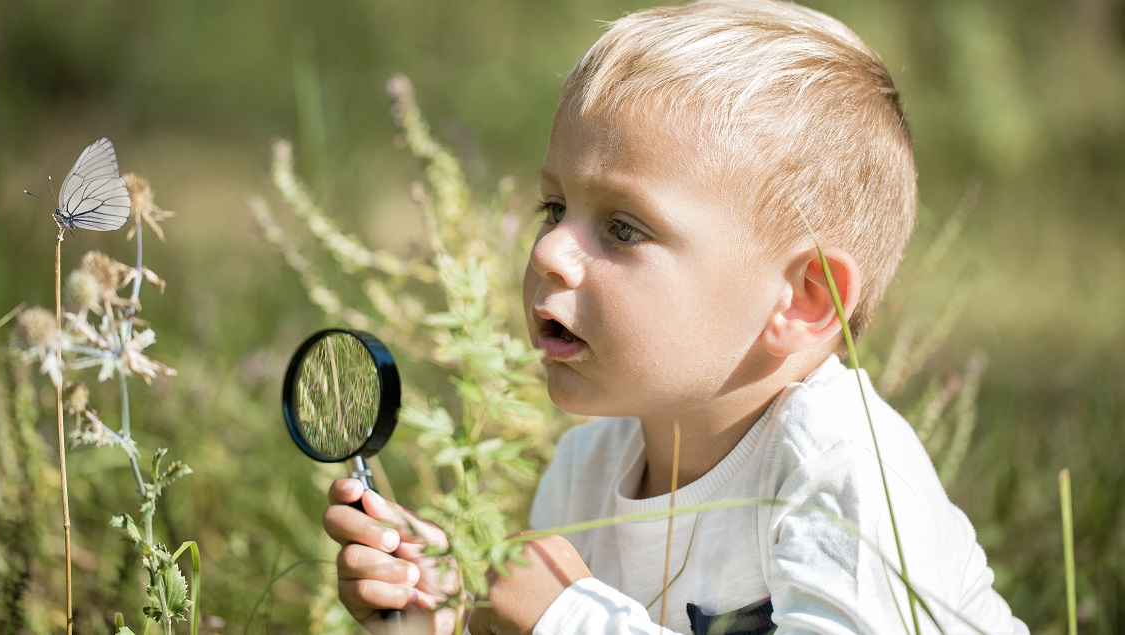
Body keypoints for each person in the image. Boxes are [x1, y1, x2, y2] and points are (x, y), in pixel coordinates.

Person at [322, 0, 1029, 633]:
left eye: (624, 228)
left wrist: (570, 618)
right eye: (555, 208)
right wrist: (439, 614)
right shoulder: (587, 468)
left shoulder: (843, 472)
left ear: (805, 299)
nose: (551, 251)